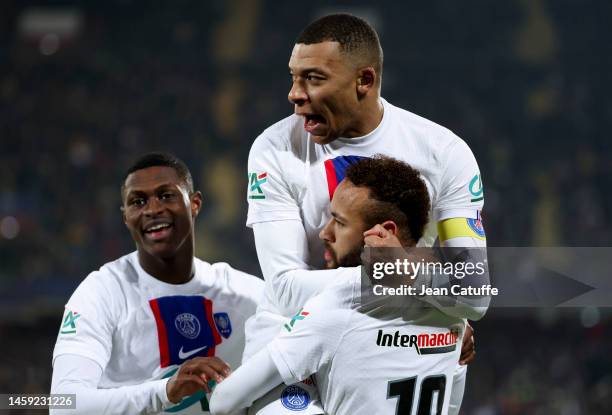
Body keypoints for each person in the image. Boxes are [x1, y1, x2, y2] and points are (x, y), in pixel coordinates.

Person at [243, 13, 487, 414]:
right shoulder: (274, 150)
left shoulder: (445, 153)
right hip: (295, 346)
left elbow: (473, 290)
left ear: (365, 81)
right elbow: (285, 288)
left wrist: (418, 286)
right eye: (293, 77)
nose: (294, 94)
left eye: (314, 78)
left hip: (393, 345)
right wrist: (406, 283)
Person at [212, 156, 468, 415]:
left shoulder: (337, 304)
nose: (325, 232)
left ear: (383, 232)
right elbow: (452, 405)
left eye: (340, 222)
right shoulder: (454, 315)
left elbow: (224, 401)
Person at [50, 152, 263, 414]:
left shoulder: (247, 295)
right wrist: (164, 392)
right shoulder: (100, 293)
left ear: (194, 203)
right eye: (138, 201)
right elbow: (63, 405)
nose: (152, 209)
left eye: (166, 195)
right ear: (126, 216)